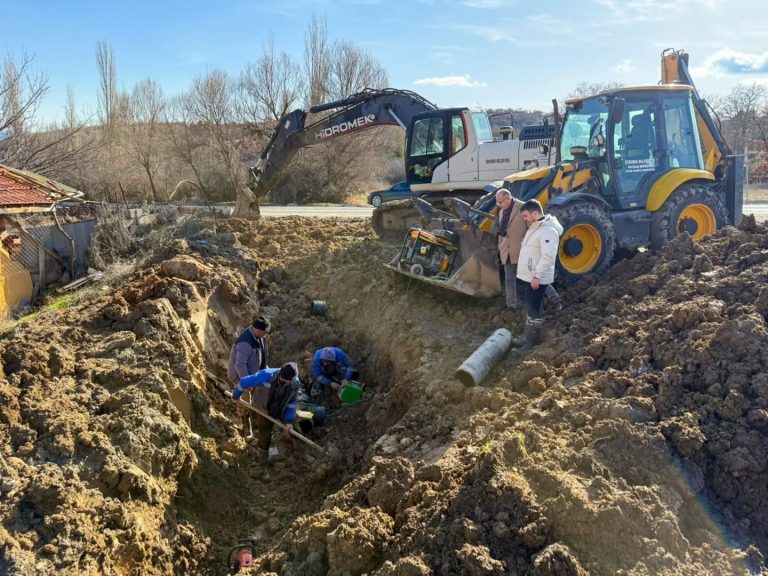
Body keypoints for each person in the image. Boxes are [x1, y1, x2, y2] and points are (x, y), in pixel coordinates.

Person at [495, 188, 562, 312]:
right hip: (506, 251)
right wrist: (500, 245)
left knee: (535, 277)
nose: (499, 205)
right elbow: (502, 231)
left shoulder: (523, 208)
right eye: (497, 203)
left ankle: (555, 300)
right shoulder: (501, 211)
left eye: (501, 202)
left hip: (522, 250)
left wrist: (528, 244)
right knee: (509, 279)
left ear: (508, 199)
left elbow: (533, 227)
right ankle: (511, 306)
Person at [232, 362, 300, 481]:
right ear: (281, 376)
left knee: (293, 428)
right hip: (262, 408)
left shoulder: (295, 384)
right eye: (286, 381)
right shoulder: (265, 375)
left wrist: (289, 421)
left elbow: (291, 402)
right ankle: (262, 468)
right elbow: (244, 382)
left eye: (290, 382)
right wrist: (236, 396)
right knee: (265, 433)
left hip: (280, 409)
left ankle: (294, 454)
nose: (289, 383)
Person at [514, 199, 563, 351]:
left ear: (535, 213)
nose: (525, 219)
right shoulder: (536, 227)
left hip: (536, 278)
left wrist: (537, 276)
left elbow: (548, 256)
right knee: (530, 308)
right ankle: (528, 337)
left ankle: (530, 344)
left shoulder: (548, 230)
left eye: (526, 216)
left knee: (534, 309)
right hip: (529, 276)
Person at [227, 316, 271, 436]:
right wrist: (247, 382)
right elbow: (240, 365)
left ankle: (256, 423)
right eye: (265, 332)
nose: (266, 335)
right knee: (244, 402)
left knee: (259, 398)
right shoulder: (245, 342)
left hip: (255, 374)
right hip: (241, 377)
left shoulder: (259, 337)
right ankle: (245, 427)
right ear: (258, 330)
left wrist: (264, 369)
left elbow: (262, 355)